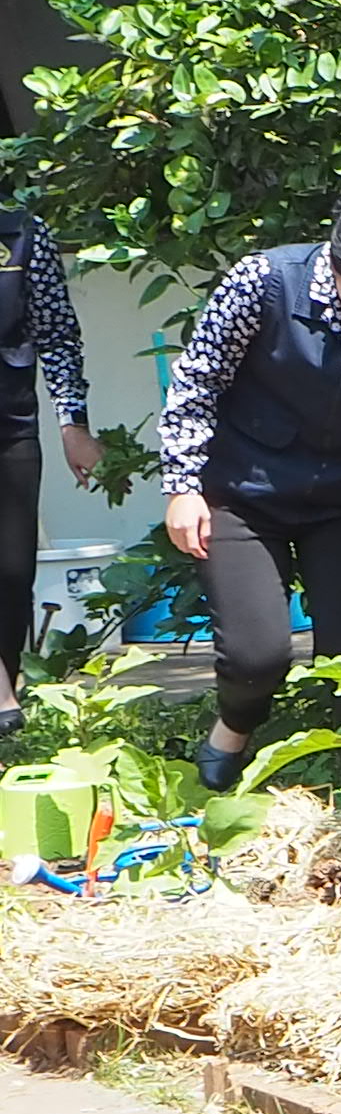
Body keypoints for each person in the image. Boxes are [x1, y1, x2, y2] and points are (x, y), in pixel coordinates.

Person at [154, 185, 341, 808]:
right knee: (259, 654)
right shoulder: (262, 283)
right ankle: (234, 728)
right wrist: (182, 485)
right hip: (241, 494)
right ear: (334, 268)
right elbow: (196, 382)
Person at [0, 191, 96, 740]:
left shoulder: (21, 233)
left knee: (12, 575)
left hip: (10, 423)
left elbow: (57, 335)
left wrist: (73, 425)